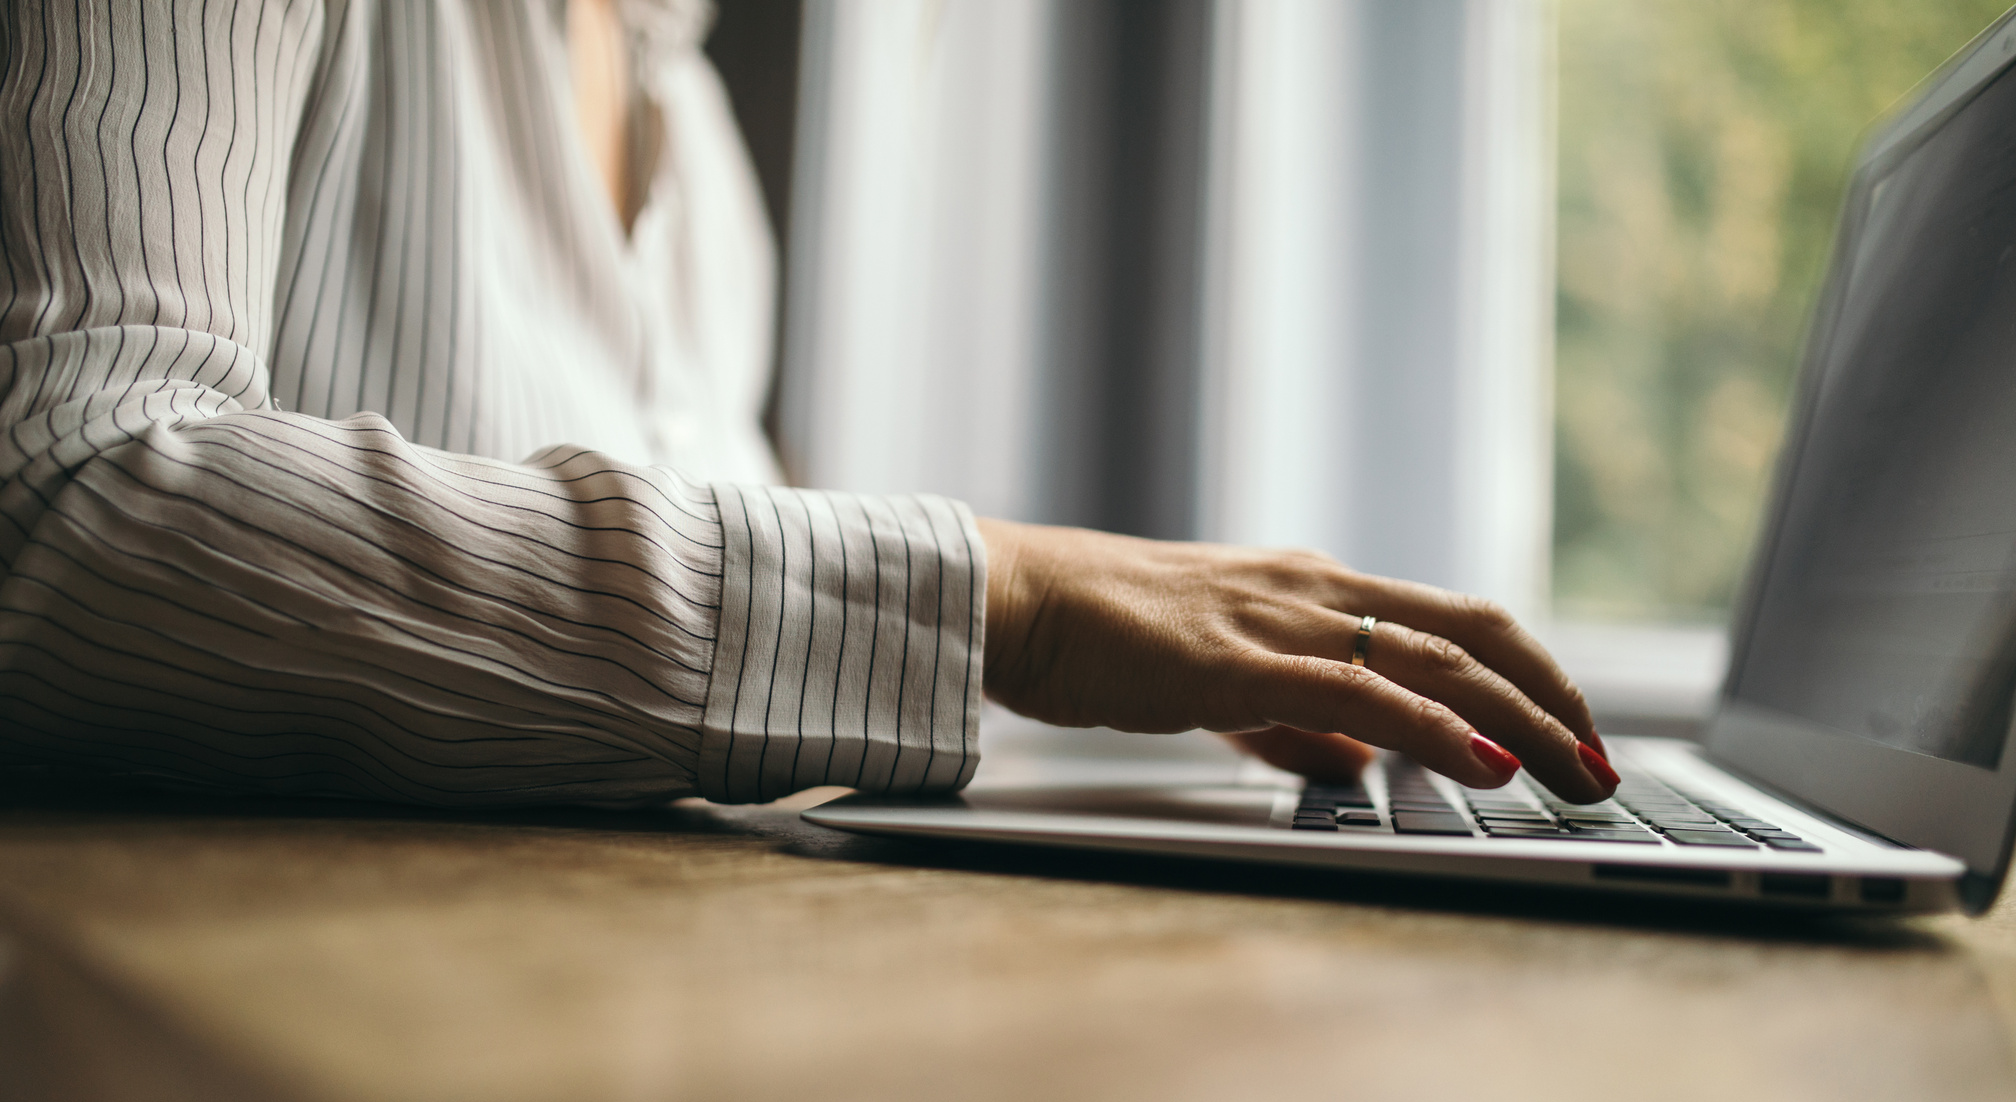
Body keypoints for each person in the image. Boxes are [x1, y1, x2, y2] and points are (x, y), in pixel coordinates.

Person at [0, 0, 1619, 810]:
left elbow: (691, 660)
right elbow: (57, 496)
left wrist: (1093, 722)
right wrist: (1004, 599)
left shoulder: (686, 130)